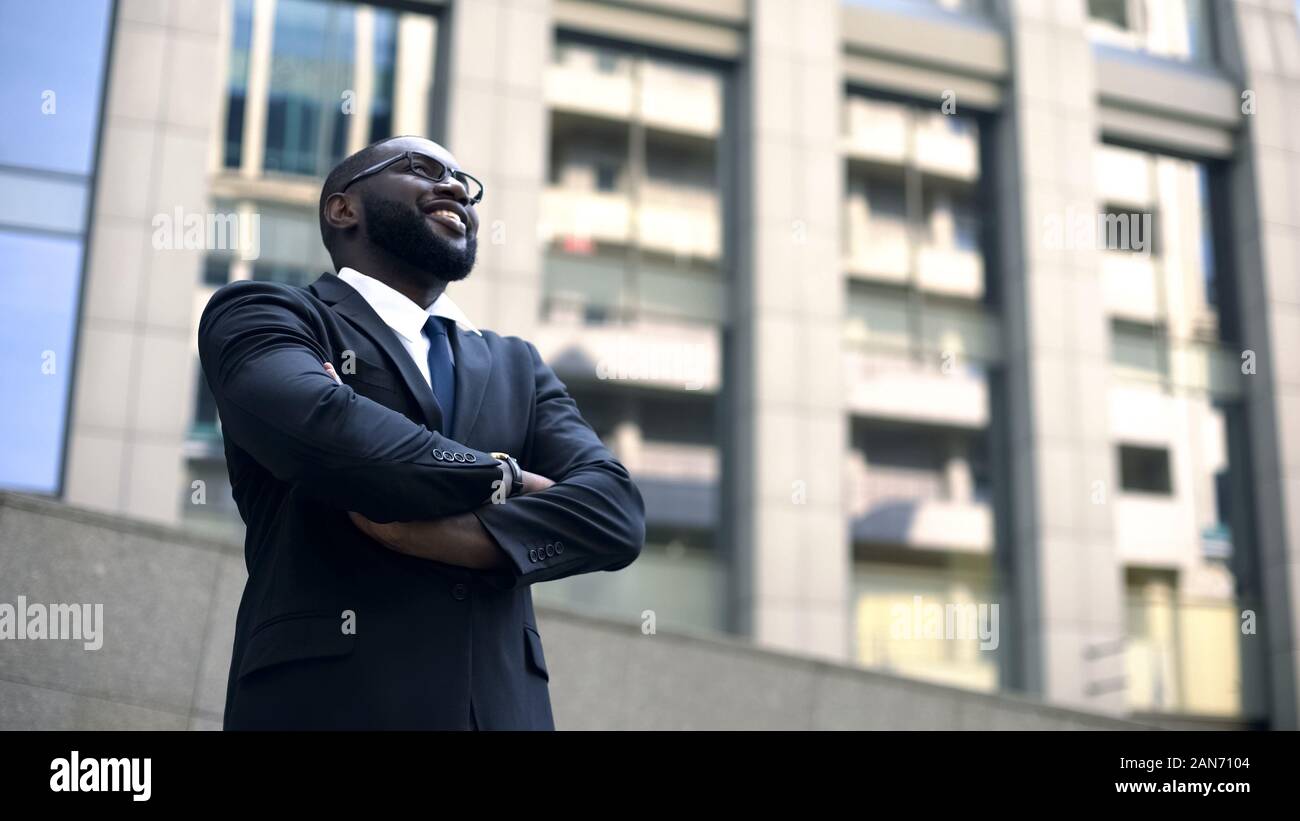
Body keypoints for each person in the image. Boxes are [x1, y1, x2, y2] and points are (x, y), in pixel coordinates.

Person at [197, 135, 645, 730]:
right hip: (327, 706)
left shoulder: (518, 365)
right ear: (342, 208)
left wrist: (466, 537)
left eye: (466, 182)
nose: (457, 188)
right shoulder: (266, 314)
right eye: (421, 168)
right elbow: (328, 430)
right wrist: (505, 478)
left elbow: (615, 514)